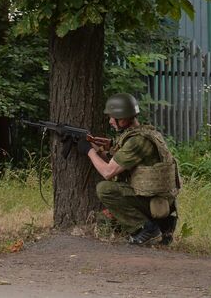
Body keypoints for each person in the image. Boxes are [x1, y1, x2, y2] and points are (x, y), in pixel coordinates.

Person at [77, 93, 179, 245]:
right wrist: (102, 148)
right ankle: (163, 227)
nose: (110, 121)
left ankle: (147, 229)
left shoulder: (136, 141)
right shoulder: (148, 133)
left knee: (105, 189)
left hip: (153, 201)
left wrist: (89, 151)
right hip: (160, 199)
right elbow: (118, 161)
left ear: (123, 118)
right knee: (104, 220)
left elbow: (108, 172)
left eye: (113, 117)